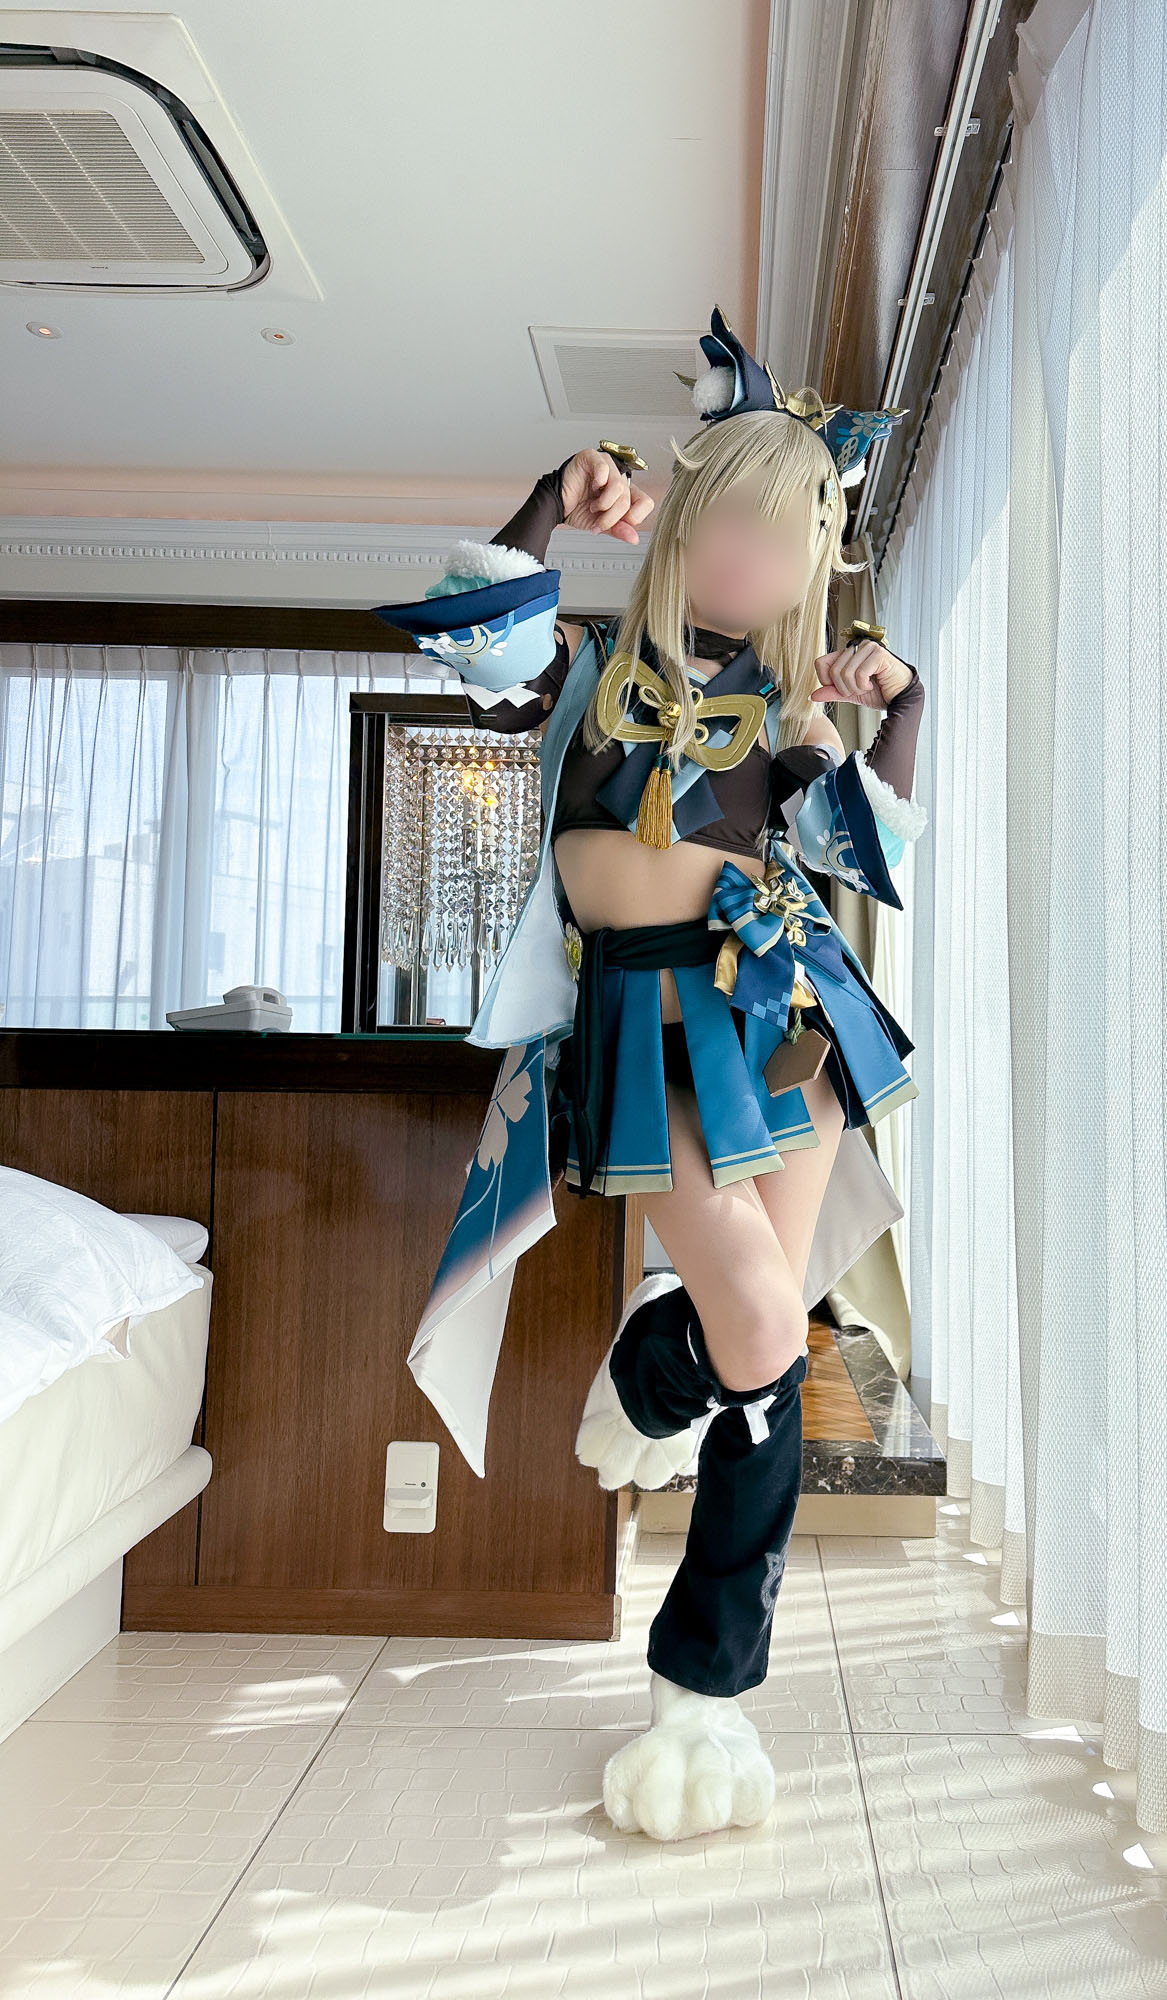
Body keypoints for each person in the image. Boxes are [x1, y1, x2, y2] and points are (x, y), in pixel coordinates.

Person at [372, 306, 927, 1840]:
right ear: (683, 521)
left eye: (791, 536)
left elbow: (866, 849)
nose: (756, 555)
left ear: (814, 567)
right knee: (760, 1324)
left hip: (785, 1007)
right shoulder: (592, 670)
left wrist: (903, 709)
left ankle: (691, 1615)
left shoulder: (790, 715)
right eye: (735, 517)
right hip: (643, 1017)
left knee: (766, 1325)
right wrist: (551, 501)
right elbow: (472, 640)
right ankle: (703, 1667)